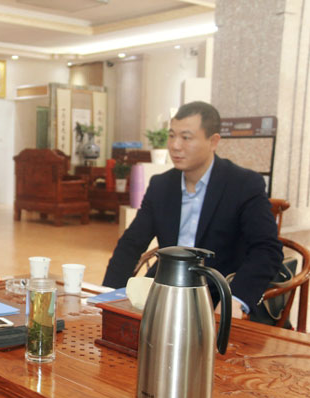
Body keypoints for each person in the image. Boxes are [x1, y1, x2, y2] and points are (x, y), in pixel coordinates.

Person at [102, 101, 283, 322]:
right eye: (172, 136)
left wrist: (234, 299)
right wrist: (107, 295)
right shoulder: (161, 186)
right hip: (165, 293)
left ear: (213, 141)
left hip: (217, 295)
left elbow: (267, 250)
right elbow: (131, 244)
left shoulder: (243, 184)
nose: (175, 146)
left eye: (186, 138)